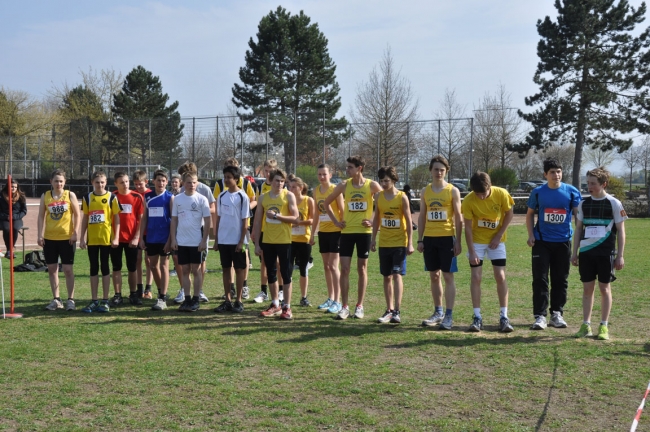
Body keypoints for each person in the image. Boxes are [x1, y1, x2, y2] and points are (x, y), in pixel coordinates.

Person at [571, 167, 626, 340]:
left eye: (593, 183)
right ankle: (586, 325)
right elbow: (578, 229)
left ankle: (603, 326)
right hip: (586, 253)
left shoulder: (614, 203)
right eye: (587, 183)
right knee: (587, 289)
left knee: (604, 288)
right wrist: (575, 252)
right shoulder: (583, 204)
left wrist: (620, 255)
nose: (589, 186)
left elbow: (621, 231)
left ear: (604, 184)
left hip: (606, 253)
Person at [323, 155, 382, 320]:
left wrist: (371, 220)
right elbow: (326, 203)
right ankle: (344, 306)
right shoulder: (343, 185)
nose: (347, 170)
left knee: (362, 269)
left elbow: (385, 202)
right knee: (345, 269)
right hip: (347, 233)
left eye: (350, 167)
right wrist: (336, 221)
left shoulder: (372, 185)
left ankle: (359, 306)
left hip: (364, 234)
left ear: (359, 168)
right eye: (347, 167)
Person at [526, 158, 581, 330]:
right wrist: (530, 235)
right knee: (540, 279)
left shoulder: (571, 192)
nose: (556, 175)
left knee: (560, 279)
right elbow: (529, 215)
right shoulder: (538, 192)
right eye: (552, 172)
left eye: (558, 171)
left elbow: (579, 217)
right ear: (545, 174)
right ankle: (540, 316)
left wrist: (579, 239)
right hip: (541, 242)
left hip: (563, 241)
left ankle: (557, 313)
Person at [461, 171, 514, 333]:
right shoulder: (469, 200)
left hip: (496, 241)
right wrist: (472, 252)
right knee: (476, 277)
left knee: (500, 276)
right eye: (477, 194)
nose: (481, 197)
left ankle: (504, 317)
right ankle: (477, 317)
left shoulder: (502, 194)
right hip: (477, 241)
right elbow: (468, 228)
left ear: (489, 187)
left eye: (483, 194)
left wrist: (498, 235)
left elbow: (509, 213)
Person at [417, 156, 462, 330]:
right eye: (436, 169)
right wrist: (420, 239)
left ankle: (449, 316)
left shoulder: (452, 191)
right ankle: (438, 312)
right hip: (429, 238)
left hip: (447, 238)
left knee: (448, 276)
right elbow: (421, 216)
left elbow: (459, 218)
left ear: (446, 171)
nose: (438, 172)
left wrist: (458, 240)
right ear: (430, 170)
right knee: (434, 275)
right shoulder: (425, 191)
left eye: (442, 170)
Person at [253, 168, 298, 320]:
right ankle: (275, 304)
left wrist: (278, 216)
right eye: (277, 180)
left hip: (285, 241)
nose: (280, 183)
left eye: (282, 181)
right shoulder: (263, 198)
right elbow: (258, 221)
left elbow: (295, 218)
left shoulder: (289, 196)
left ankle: (287, 307)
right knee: (271, 273)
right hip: (268, 241)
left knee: (286, 274)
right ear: (270, 180)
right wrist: (257, 244)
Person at [371, 166, 414, 324]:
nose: (383, 183)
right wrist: (373, 238)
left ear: (394, 180)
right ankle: (388, 310)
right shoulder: (378, 197)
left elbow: (409, 221)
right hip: (384, 243)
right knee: (386, 276)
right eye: (381, 181)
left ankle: (397, 311)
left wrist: (410, 243)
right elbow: (376, 219)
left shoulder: (402, 197)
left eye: (387, 181)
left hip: (399, 243)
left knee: (397, 275)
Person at [211, 157, 257, 301]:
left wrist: (241, 241)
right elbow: (218, 218)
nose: (226, 180)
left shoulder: (243, 197)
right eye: (225, 177)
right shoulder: (222, 196)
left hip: (238, 240)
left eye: (229, 177)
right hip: (224, 240)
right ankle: (228, 300)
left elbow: (245, 222)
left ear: (236, 179)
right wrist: (216, 239)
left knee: (239, 269)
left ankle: (238, 300)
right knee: (225, 269)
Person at [38, 170, 80, 311]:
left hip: (67, 239)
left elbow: (77, 215)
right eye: (56, 181)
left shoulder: (70, 195)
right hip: (50, 238)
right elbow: (40, 217)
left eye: (61, 181)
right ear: (51, 181)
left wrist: (75, 233)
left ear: (65, 182)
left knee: (68, 270)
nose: (59, 183)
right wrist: (40, 234)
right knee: (52, 269)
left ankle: (71, 300)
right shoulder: (46, 196)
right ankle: (56, 299)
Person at [174, 162, 215, 304]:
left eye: (194, 182)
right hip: (182, 241)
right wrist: (173, 239)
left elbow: (208, 220)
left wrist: (204, 240)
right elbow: (174, 220)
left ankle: (196, 297)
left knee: (197, 269)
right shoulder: (177, 198)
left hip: (197, 240)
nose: (191, 185)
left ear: (197, 183)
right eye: (189, 182)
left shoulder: (202, 198)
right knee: (184, 269)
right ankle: (187, 297)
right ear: (183, 183)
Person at [80, 171, 121, 313]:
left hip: (106, 239)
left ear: (106, 183)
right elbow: (85, 218)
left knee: (105, 267)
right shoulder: (87, 198)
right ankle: (94, 300)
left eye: (102, 182)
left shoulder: (112, 197)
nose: (100, 184)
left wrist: (115, 237)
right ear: (92, 182)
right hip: (92, 240)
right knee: (93, 268)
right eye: (97, 182)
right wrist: (81, 238)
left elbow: (116, 219)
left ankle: (105, 300)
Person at [139, 170, 174, 311]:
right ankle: (161, 290)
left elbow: (173, 220)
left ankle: (162, 298)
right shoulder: (147, 197)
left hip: (164, 238)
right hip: (151, 237)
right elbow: (144, 218)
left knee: (164, 266)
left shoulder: (170, 197)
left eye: (163, 180)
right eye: (158, 180)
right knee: (152, 265)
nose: (161, 183)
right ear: (153, 181)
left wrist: (170, 240)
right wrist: (141, 237)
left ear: (167, 182)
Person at [312, 164, 344, 314]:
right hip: (323, 232)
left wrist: (343, 228)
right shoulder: (316, 191)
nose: (322, 177)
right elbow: (317, 214)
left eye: (324, 174)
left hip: (336, 231)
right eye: (319, 174)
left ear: (330, 175)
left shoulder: (335, 190)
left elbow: (342, 210)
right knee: (326, 266)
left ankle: (338, 301)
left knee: (333, 266)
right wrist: (313, 233)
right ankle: (330, 298)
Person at [110, 172, 145, 307]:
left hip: (131, 240)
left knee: (132, 268)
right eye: (121, 182)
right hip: (116, 240)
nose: (125, 184)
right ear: (115, 184)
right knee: (116, 267)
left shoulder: (137, 197)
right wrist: (114, 237)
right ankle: (117, 295)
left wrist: (137, 237)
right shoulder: (112, 197)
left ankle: (133, 294)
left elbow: (141, 219)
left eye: (126, 181)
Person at [289, 176, 315, 307]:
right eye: (290, 187)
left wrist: (298, 222)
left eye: (294, 187)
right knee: (287, 269)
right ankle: (285, 296)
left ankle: (304, 297)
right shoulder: (287, 200)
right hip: (289, 239)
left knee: (303, 269)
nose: (291, 189)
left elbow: (312, 220)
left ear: (301, 188)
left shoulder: (308, 200)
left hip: (304, 239)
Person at [132, 170, 154, 300]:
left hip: (149, 232)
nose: (138, 187)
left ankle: (148, 288)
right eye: (135, 184)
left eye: (140, 184)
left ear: (146, 182)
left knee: (149, 260)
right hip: (136, 232)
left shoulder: (150, 194)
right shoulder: (133, 195)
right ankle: (139, 288)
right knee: (137, 260)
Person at [0, 179, 27, 258]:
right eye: (11, 187)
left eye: (15, 187)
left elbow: (24, 211)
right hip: (4, 218)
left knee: (15, 228)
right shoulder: (1, 196)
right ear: (8, 187)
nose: (13, 188)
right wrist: (5, 216)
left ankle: (11, 249)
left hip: (16, 218)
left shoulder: (21, 197)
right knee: (7, 228)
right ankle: (9, 250)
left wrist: (15, 216)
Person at [169, 174, 182, 280]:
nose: (174, 184)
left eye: (176, 182)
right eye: (172, 182)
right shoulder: (169, 193)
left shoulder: (182, 193)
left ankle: (178, 267)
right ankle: (174, 267)